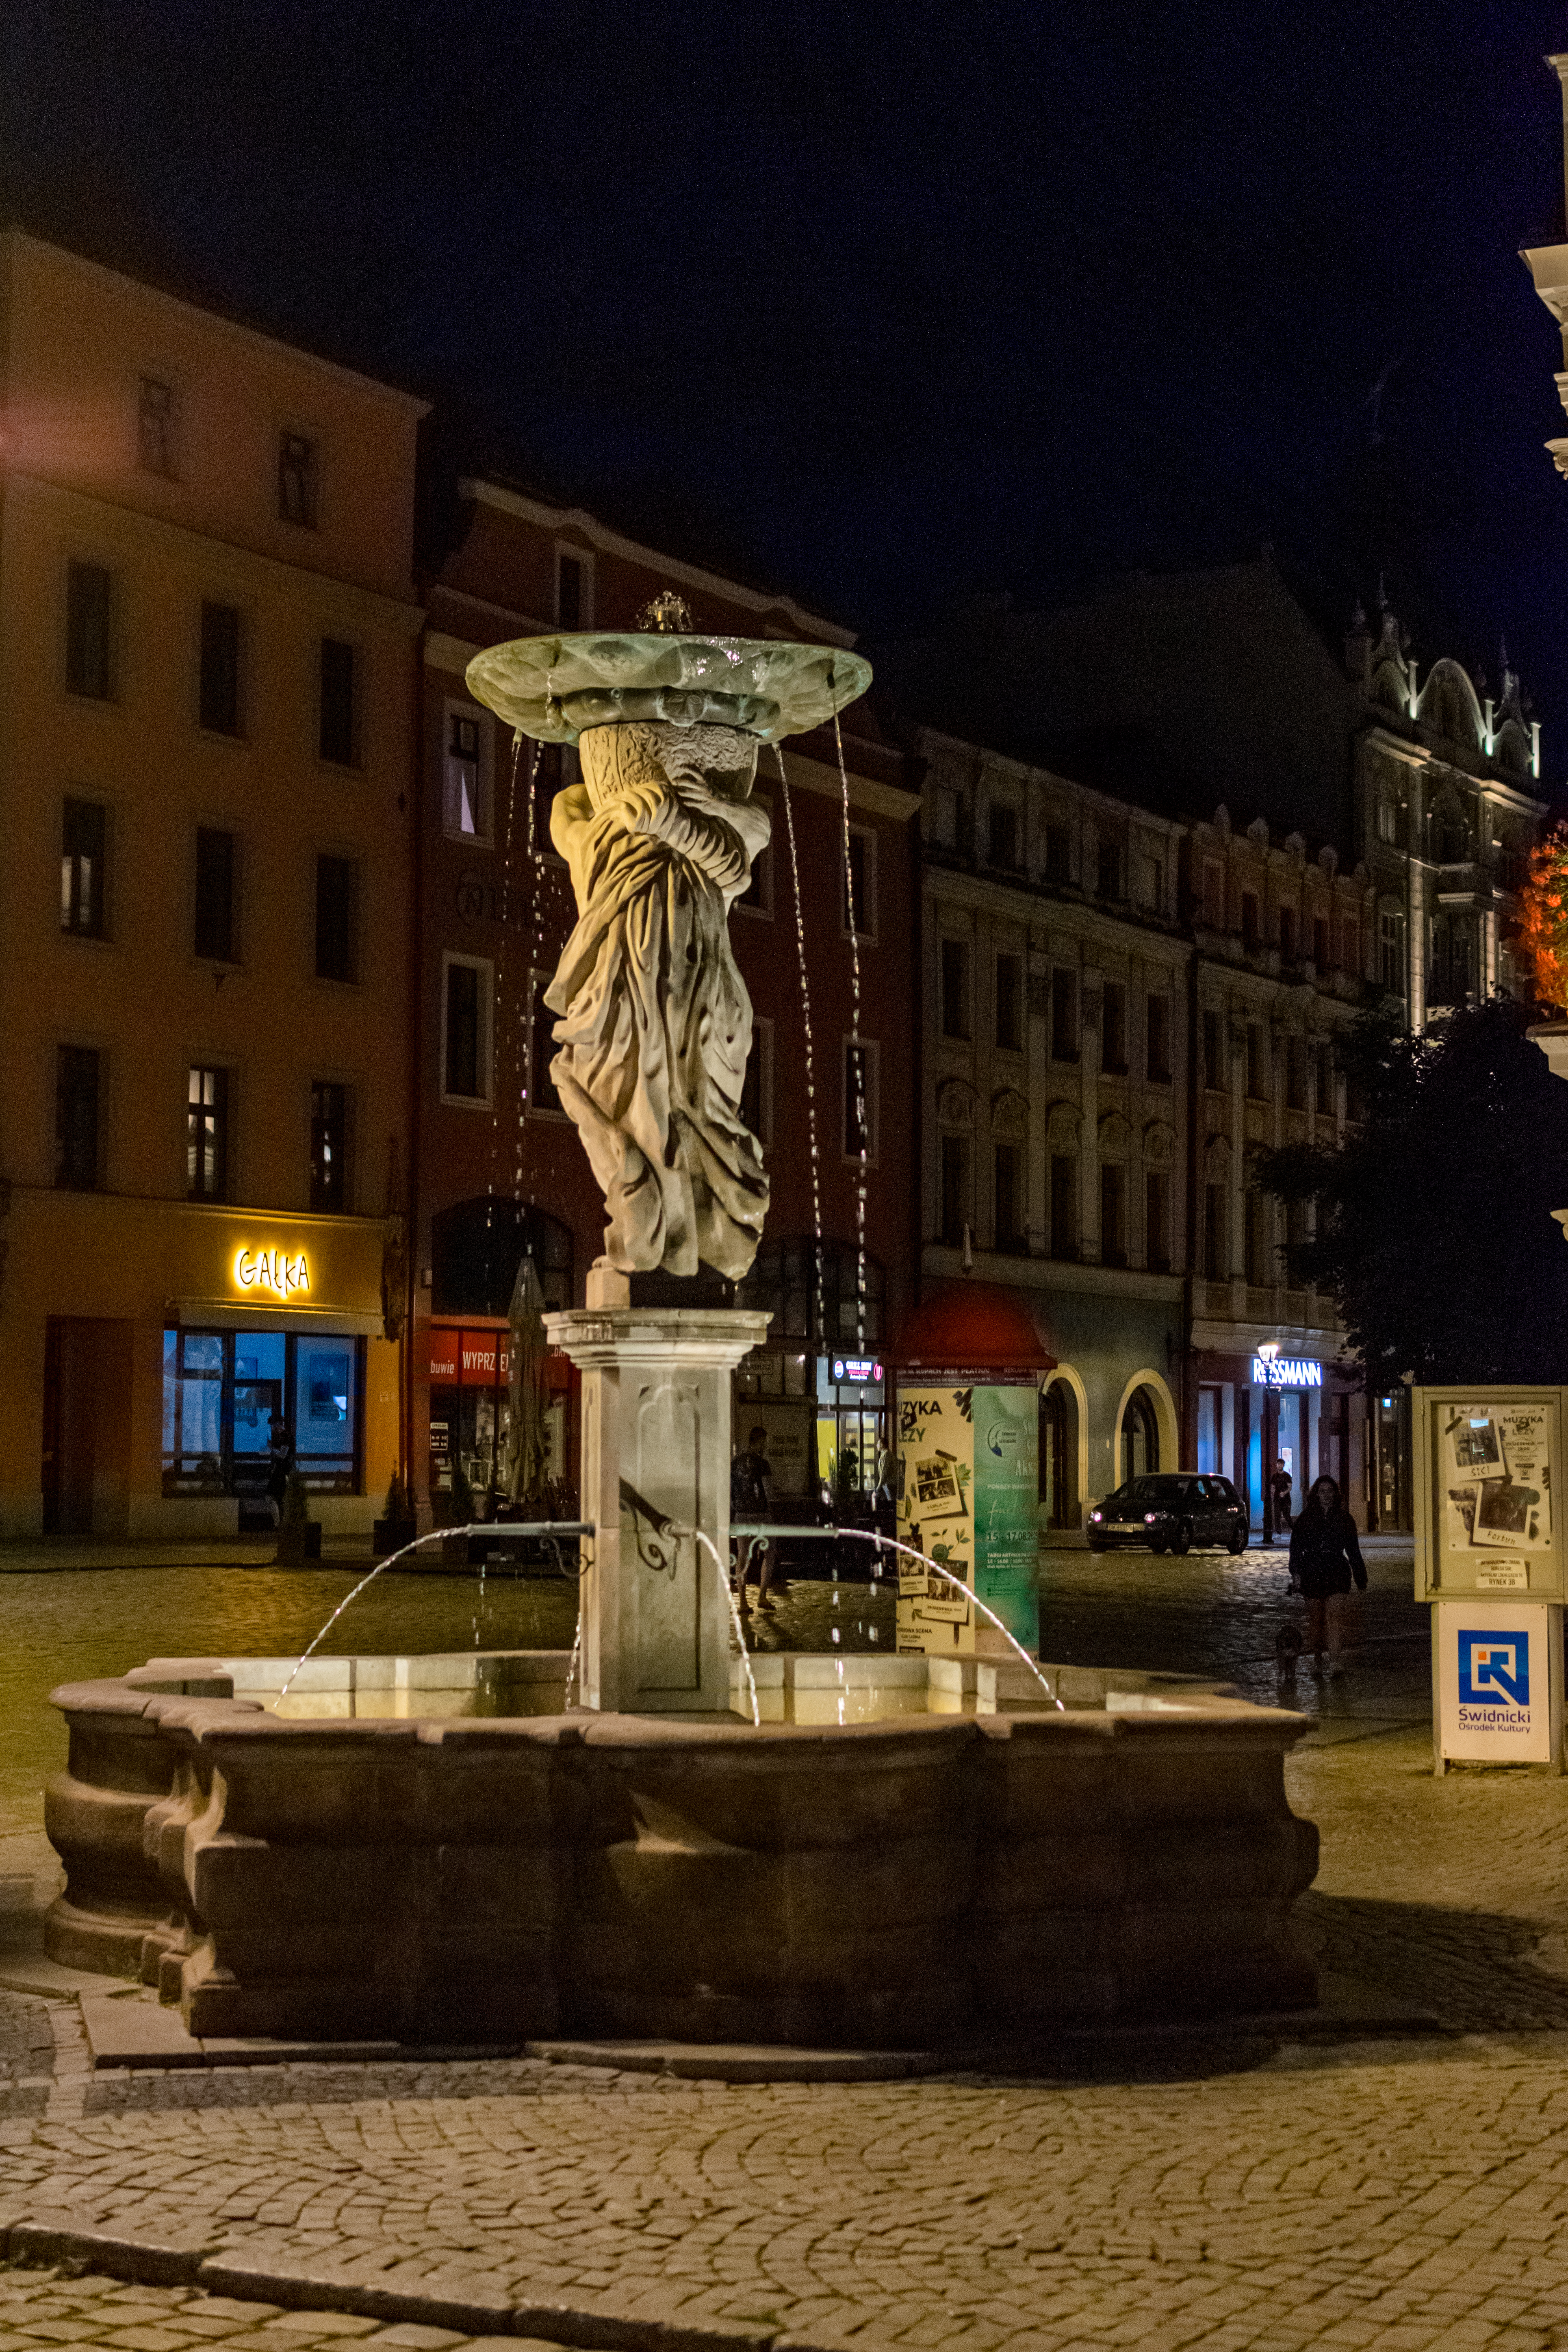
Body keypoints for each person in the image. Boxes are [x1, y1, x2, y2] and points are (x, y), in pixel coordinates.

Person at [1288, 1473, 1366, 1676]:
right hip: (1312, 1570)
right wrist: (1296, 1574)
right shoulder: (1306, 1519)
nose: (1326, 1495)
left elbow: (1353, 1549)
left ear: (1335, 1494)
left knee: (1334, 1617)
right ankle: (1317, 1658)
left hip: (1336, 1570)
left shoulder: (1344, 1519)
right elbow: (1296, 1548)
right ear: (1316, 1494)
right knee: (1316, 1620)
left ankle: (1335, 1661)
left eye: (1330, 1491)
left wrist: (1360, 1576)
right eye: (1322, 1491)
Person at [731, 1426, 777, 1612]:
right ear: (759, 1442)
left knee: (742, 1556)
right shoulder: (762, 1463)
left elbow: (731, 1490)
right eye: (764, 1443)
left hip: (741, 1514)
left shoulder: (735, 1463)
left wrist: (736, 1508)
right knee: (770, 1552)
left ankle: (743, 1602)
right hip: (761, 1514)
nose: (765, 1446)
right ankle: (762, 1597)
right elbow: (769, 1492)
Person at [265, 1412, 294, 1530]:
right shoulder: (282, 1436)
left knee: (272, 1496)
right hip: (280, 1470)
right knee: (276, 1497)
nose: (272, 1428)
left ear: (277, 1424)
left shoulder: (286, 1436)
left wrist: (271, 1448)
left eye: (272, 1425)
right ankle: (279, 1523)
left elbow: (282, 1455)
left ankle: (278, 1524)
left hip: (282, 1471)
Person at [1269, 1456, 1294, 1536]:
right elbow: (1273, 1486)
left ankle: (1294, 1530)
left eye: (1281, 1464)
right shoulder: (1275, 1476)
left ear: (1283, 1465)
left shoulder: (1287, 1476)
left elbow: (1290, 1487)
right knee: (1277, 1516)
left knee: (1287, 1516)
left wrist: (1284, 1493)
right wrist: (1273, 1493)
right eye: (1278, 1464)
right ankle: (1278, 1533)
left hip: (1286, 1499)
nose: (1279, 1466)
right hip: (1277, 1499)